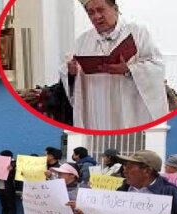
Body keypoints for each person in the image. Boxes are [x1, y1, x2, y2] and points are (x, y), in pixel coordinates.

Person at [60, 0, 168, 130]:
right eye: (91, 13)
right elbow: (66, 74)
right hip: (97, 111)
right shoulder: (82, 41)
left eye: (101, 10)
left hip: (129, 108)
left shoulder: (137, 32)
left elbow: (156, 65)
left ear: (115, 8)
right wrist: (71, 72)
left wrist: (128, 69)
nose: (96, 16)